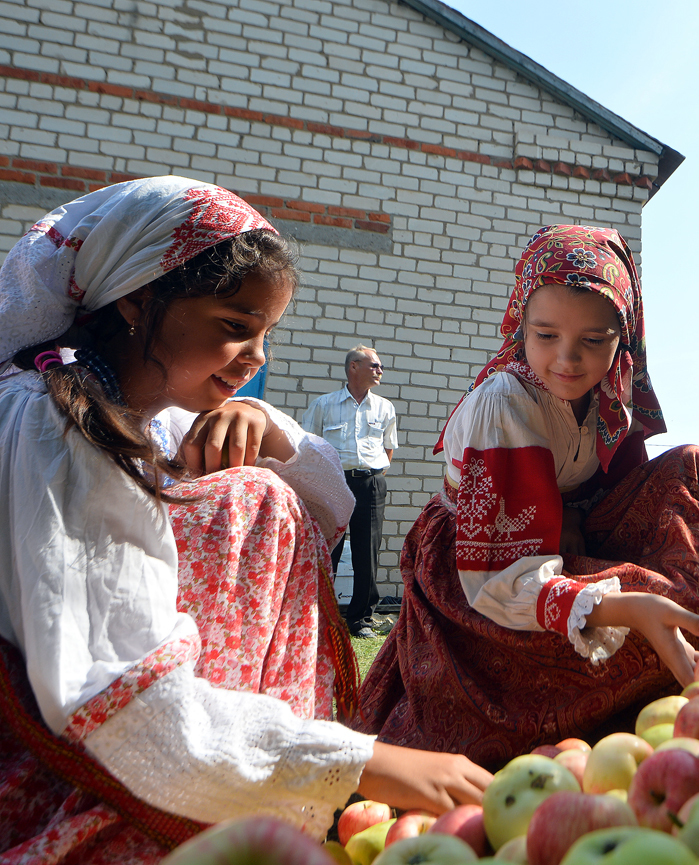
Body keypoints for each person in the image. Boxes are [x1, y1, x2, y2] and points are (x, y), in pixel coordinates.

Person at [0, 176, 491, 863]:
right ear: (138, 299)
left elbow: (329, 508)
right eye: (235, 328)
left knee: (267, 493)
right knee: (252, 500)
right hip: (95, 761)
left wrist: (268, 425)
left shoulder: (156, 419)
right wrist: (353, 762)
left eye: (266, 334)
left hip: (155, 741)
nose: (257, 357)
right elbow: (106, 687)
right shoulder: (53, 421)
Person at [354, 224, 699, 768]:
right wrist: (621, 603)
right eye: (545, 335)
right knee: (636, 611)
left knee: (695, 467)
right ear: (520, 323)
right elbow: (495, 575)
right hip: (486, 569)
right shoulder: (504, 406)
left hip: (558, 536)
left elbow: (620, 482)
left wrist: (572, 522)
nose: (568, 359)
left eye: (594, 340)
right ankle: (655, 664)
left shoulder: (613, 391)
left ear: (624, 337)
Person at [303, 345, 400, 638]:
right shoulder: (324, 404)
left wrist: (370, 477)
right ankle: (319, 616)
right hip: (333, 483)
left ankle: (360, 620)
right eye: (375, 365)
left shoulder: (385, 407)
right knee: (327, 550)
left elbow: (388, 449)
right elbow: (308, 445)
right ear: (353, 367)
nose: (380, 371)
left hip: (370, 485)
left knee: (366, 553)